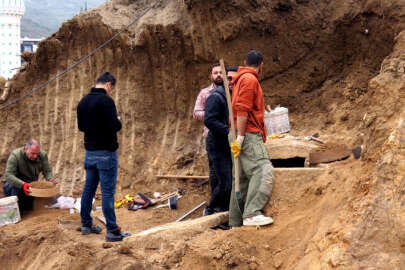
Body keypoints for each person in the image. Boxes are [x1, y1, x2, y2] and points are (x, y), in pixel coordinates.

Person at [77, 72, 129, 242]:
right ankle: (113, 231)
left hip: (90, 153)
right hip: (106, 154)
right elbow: (114, 126)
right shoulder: (107, 101)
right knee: (107, 193)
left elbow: (81, 127)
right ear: (108, 84)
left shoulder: (83, 101)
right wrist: (118, 120)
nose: (111, 91)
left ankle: (86, 224)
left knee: (88, 189)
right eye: (111, 88)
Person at [229, 50, 275, 227]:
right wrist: (241, 137)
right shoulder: (249, 79)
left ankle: (235, 222)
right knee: (263, 170)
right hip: (247, 133)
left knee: (241, 179)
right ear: (261, 64)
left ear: (244, 62)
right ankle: (252, 213)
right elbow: (242, 109)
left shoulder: (240, 79)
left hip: (238, 132)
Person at [203, 67, 238, 220]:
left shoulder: (231, 96)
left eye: (233, 79)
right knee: (225, 182)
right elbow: (209, 120)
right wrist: (228, 130)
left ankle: (223, 211)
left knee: (226, 181)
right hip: (217, 145)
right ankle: (210, 209)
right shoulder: (216, 97)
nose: (231, 82)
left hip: (227, 144)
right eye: (228, 78)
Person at [193, 63, 224, 216]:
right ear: (211, 76)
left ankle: (224, 203)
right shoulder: (205, 93)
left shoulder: (229, 91)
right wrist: (212, 114)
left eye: (220, 72)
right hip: (212, 136)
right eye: (215, 73)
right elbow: (196, 112)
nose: (218, 75)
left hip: (227, 136)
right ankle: (215, 204)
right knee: (214, 172)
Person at [2, 139, 56, 215]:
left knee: (29, 209)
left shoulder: (42, 155)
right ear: (26, 149)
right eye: (33, 153)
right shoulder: (15, 155)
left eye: (37, 153)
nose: (35, 156)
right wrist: (22, 184)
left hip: (30, 185)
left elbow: (47, 171)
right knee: (18, 212)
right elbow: (9, 175)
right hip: (15, 184)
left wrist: (50, 178)